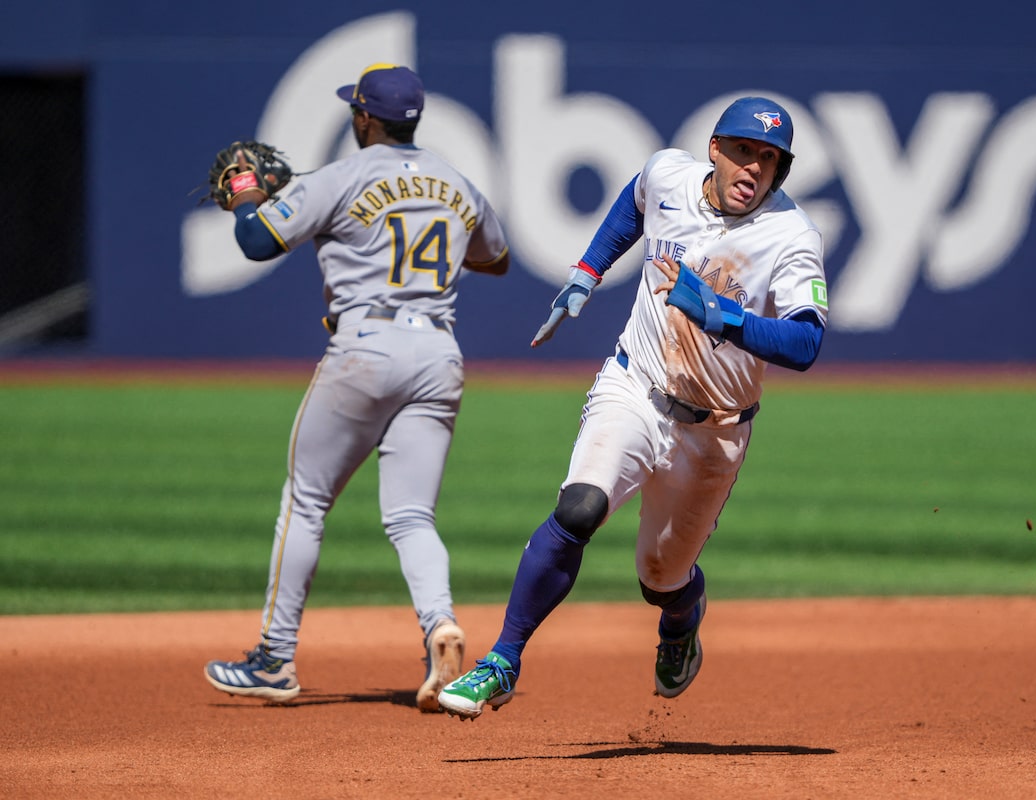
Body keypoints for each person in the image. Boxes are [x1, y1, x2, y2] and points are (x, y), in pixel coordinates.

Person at [436, 96, 827, 719]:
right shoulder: (670, 173)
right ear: (716, 150)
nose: (755, 168)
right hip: (635, 386)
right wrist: (588, 272)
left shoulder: (791, 236)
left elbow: (806, 342)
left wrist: (720, 315)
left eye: (770, 160)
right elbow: (635, 199)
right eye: (745, 151)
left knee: (660, 578)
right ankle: (502, 661)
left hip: (715, 432)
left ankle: (681, 619)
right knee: (580, 506)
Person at [203, 64, 510, 710]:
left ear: (365, 119)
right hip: (438, 353)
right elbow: (497, 257)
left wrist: (246, 197)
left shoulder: (341, 177)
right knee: (410, 516)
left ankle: (274, 659)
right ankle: (441, 627)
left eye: (356, 110)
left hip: (367, 347)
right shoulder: (457, 182)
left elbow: (258, 243)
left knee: (307, 501)